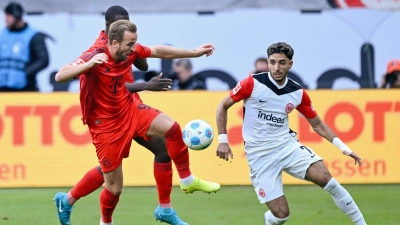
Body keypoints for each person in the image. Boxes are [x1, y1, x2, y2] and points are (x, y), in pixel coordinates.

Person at [53, 6, 219, 225]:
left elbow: (157, 51)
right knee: (113, 185)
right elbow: (60, 75)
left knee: (171, 131)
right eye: (130, 44)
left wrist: (194, 52)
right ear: (112, 37)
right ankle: (94, 215)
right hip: (106, 124)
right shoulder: (95, 55)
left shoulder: (127, 46)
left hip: (129, 109)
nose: (134, 48)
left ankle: (179, 190)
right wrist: (89, 65)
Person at [215, 42, 367, 225]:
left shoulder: (297, 92)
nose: (276, 67)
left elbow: (317, 124)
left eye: (281, 62)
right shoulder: (252, 83)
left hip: (287, 146)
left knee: (329, 180)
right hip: (259, 155)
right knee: (282, 215)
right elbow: (222, 106)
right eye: (272, 62)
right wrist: (223, 140)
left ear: (290, 64)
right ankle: (270, 220)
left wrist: (343, 147)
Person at [0, 2, 49, 91]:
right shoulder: (4, 34)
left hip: (24, 88)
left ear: (17, 16)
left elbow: (43, 60)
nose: (5, 19)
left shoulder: (33, 35)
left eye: (8, 16)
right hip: (3, 87)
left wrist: (26, 72)